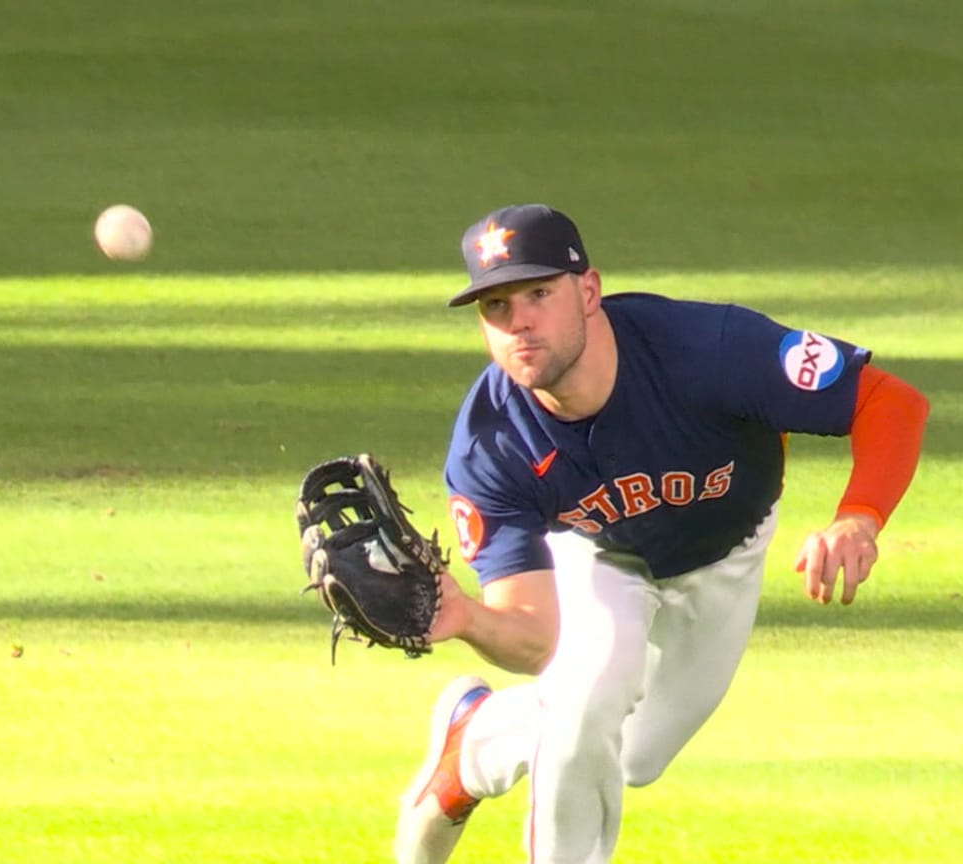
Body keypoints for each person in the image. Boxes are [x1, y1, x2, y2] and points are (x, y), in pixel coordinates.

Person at [395, 204, 929, 864]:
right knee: (584, 706)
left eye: (538, 293)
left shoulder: (710, 350)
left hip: (725, 554)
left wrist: (859, 516)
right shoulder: (489, 446)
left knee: (633, 756)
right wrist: (467, 617)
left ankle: (475, 736)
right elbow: (539, 636)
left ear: (588, 292)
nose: (520, 321)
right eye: (496, 307)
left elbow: (889, 401)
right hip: (599, 555)